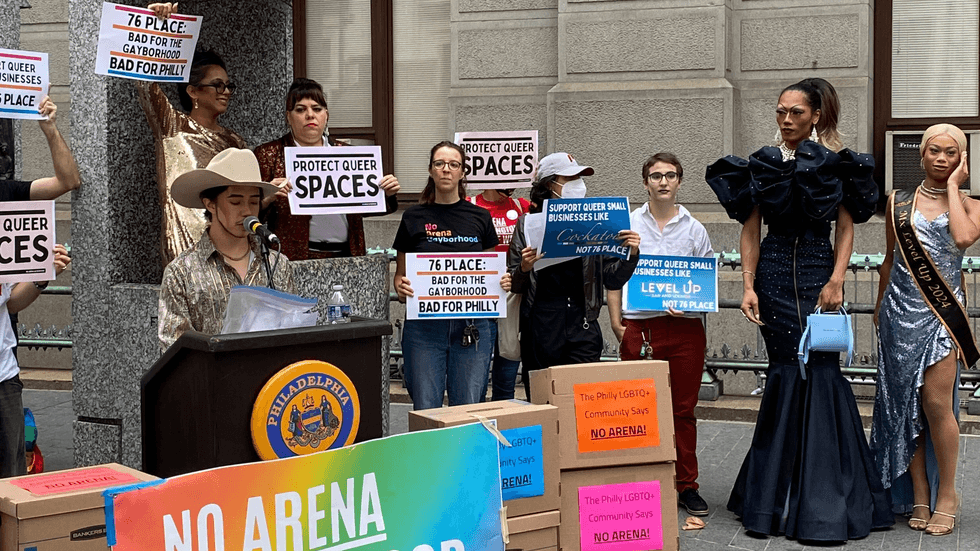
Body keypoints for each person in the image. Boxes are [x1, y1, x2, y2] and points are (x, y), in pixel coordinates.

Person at [706, 78, 892, 541]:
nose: (787, 120)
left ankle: (826, 497)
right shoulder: (763, 164)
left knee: (823, 367)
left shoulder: (837, 164)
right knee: (785, 369)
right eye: (781, 111)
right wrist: (747, 287)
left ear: (816, 116)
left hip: (816, 271)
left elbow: (847, 229)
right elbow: (751, 230)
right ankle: (773, 497)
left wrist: (837, 279)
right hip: (770, 275)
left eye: (796, 113)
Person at [872, 124, 976, 537]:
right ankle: (918, 490)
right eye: (934, 150)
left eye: (951, 153)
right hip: (899, 312)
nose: (940, 158)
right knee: (904, 405)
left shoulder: (971, 204)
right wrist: (880, 308)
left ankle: (947, 494)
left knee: (936, 404)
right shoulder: (897, 202)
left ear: (961, 160)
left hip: (940, 317)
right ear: (921, 154)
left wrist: (954, 186)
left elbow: (964, 238)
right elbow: (888, 259)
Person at [607, 152, 712, 516]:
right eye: (656, 176)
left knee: (683, 411)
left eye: (670, 175)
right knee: (637, 409)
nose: (663, 182)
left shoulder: (695, 228)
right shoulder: (628, 225)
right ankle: (642, 484)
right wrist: (616, 321)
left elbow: (705, 283)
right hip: (641, 327)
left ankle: (687, 485)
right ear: (645, 182)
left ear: (680, 181)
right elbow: (613, 276)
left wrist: (691, 303)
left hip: (684, 329)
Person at [509, 152, 640, 400]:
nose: (578, 183)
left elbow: (612, 279)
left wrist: (630, 255)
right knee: (543, 400)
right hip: (542, 325)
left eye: (579, 177)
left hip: (583, 323)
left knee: (584, 403)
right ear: (550, 184)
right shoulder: (528, 223)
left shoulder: (595, 222)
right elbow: (514, 283)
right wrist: (525, 268)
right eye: (569, 178)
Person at [392, 141, 511, 410]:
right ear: (431, 171)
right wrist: (401, 287)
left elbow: (490, 270)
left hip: (471, 326)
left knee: (468, 409)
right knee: (426, 409)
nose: (446, 169)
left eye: (453, 164)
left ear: (462, 172)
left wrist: (501, 282)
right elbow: (400, 276)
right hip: (424, 329)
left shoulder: (480, 217)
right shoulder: (412, 217)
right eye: (440, 164)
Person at [0, 95, 78, 478]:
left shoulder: (7, 196)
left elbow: (68, 181)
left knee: (10, 484)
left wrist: (41, 276)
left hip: (2, 377)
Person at [142, 3, 248, 264]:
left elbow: (242, 198)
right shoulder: (172, 125)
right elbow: (145, 83)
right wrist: (159, 27)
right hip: (185, 248)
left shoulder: (235, 141)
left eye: (228, 86)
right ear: (193, 91)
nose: (225, 92)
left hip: (231, 247)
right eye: (217, 85)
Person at [158, 148, 295, 349]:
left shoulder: (278, 264)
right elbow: (174, 351)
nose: (247, 211)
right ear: (210, 204)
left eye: (254, 202)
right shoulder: (180, 273)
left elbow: (294, 336)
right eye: (236, 201)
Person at [254, 78, 400, 259]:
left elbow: (368, 207)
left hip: (346, 255)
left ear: (326, 115)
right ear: (288, 117)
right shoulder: (269, 155)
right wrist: (268, 197)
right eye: (300, 109)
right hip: (292, 257)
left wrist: (386, 193)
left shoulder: (347, 154)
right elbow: (250, 215)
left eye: (317, 109)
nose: (310, 115)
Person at [467, 188, 530, 400]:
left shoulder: (523, 206)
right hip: (480, 296)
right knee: (476, 377)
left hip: (512, 296)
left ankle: (504, 419)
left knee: (507, 371)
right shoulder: (470, 204)